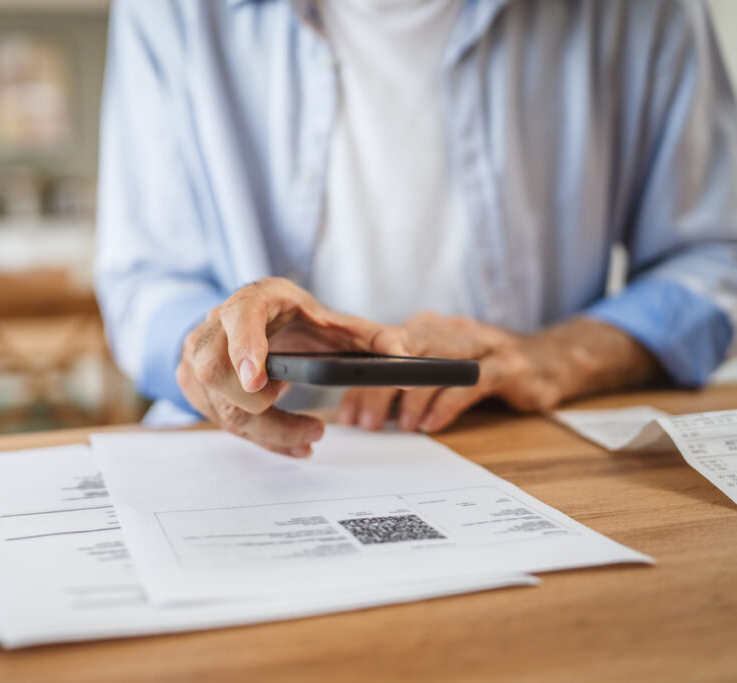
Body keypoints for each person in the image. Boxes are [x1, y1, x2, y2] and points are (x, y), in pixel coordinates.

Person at [95, 0, 737, 457]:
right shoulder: (167, 12)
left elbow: (715, 255)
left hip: (523, 451)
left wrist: (553, 357)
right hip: (233, 462)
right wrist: (213, 353)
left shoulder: (644, 11)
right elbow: (143, 278)